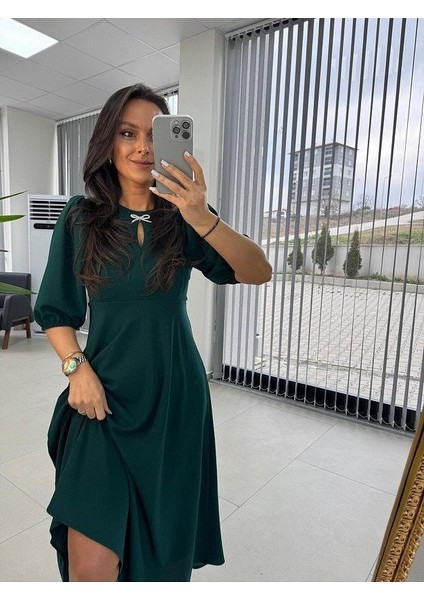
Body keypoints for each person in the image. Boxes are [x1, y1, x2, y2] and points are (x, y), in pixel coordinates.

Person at [34, 83, 272, 582]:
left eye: (153, 135)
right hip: (101, 397)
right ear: (108, 142)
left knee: (161, 547)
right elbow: (55, 310)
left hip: (173, 398)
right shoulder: (80, 217)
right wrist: (77, 370)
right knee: (90, 563)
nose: (142, 147)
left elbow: (257, 270)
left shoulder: (184, 220)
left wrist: (201, 216)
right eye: (128, 133)